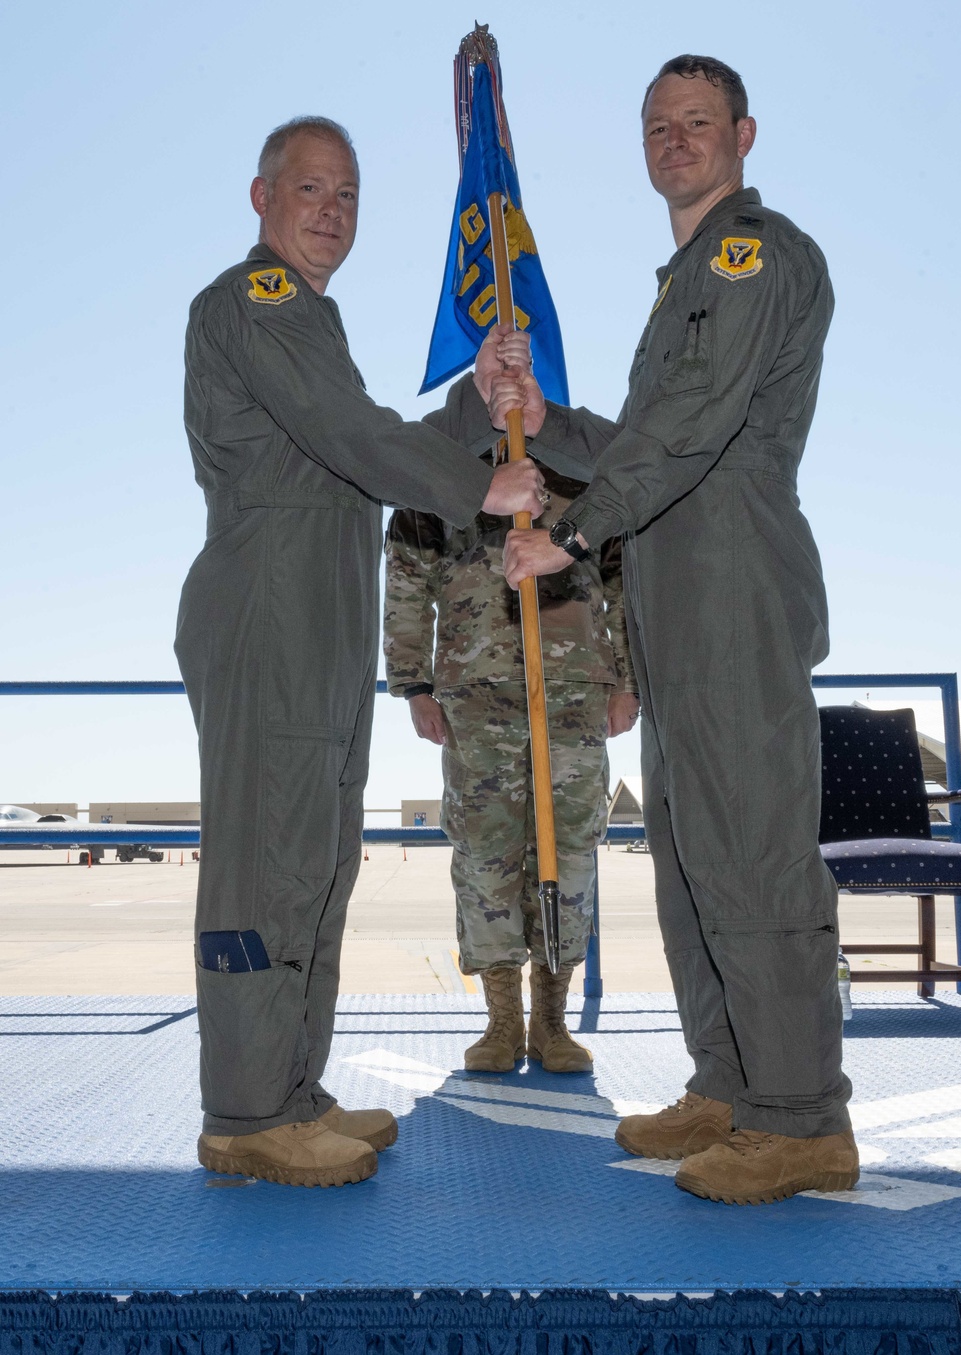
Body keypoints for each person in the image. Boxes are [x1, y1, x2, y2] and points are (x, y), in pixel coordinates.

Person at [487, 56, 858, 1205]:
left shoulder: (751, 254)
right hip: (678, 601)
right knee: (695, 863)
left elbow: (694, 427)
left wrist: (570, 525)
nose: (675, 140)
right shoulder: (683, 278)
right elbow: (651, 430)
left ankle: (800, 1117)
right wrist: (553, 426)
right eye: (657, 125)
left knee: (751, 853)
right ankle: (729, 1087)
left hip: (734, 591)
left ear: (744, 134)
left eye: (697, 122)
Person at [175, 116, 544, 1188]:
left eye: (347, 194)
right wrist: (481, 484)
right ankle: (245, 1110)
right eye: (310, 188)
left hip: (321, 613)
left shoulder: (312, 325)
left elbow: (359, 436)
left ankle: (290, 1087)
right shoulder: (258, 301)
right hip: (268, 611)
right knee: (265, 862)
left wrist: (470, 405)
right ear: (261, 198)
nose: (331, 208)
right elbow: (352, 441)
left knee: (317, 861)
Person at [383, 454, 640, 1074]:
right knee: (484, 850)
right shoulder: (438, 479)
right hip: (477, 687)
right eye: (498, 363)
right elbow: (407, 582)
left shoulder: (585, 483)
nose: (512, 381)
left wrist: (629, 680)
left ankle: (552, 1021)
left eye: (522, 364)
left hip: (574, 686)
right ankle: (501, 1022)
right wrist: (414, 685)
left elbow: (624, 584)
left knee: (571, 848)